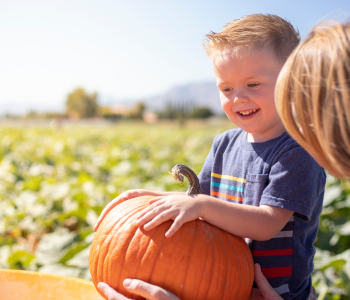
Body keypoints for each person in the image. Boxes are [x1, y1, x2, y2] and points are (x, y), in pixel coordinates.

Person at [94, 14, 325, 300]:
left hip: (278, 295)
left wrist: (201, 205)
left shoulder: (297, 152)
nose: (238, 97)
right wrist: (149, 196)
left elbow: (267, 222)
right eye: (227, 88)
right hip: (225, 286)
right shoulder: (224, 144)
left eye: (253, 85)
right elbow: (197, 198)